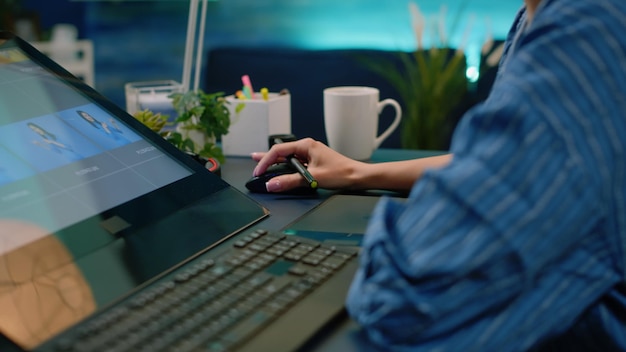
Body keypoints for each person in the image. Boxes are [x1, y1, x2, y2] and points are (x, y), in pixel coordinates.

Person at [251, 0, 626, 350]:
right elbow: (495, 162)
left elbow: (402, 304)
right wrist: (356, 172)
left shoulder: (584, 36)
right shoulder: (534, 19)